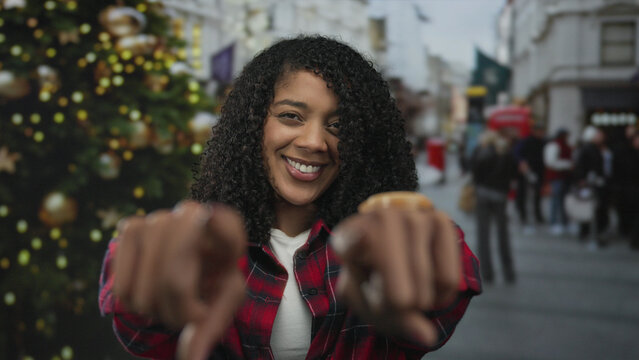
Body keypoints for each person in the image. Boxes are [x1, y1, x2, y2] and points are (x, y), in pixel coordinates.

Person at [98, 36, 481, 360]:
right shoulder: (204, 244)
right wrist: (145, 287)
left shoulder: (378, 243)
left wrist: (419, 273)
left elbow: (443, 288)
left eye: (339, 126)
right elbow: (141, 334)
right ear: (252, 124)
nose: (314, 142)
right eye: (291, 116)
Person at [470, 129, 518, 284]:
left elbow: (474, 173)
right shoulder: (505, 152)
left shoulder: (480, 151)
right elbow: (513, 174)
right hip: (500, 197)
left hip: (483, 196)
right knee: (503, 234)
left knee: (483, 235)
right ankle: (508, 271)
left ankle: (487, 273)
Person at [574, 126, 612, 244]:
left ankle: (594, 231)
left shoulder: (596, 149)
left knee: (595, 208)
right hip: (589, 184)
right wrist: (582, 180)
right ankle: (587, 232)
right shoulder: (588, 149)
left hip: (597, 183)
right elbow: (582, 166)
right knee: (588, 208)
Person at [514, 123, 546, 233]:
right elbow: (517, 154)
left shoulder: (543, 142)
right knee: (524, 195)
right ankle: (524, 217)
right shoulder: (526, 141)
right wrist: (522, 163)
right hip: (526, 173)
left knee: (537, 196)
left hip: (538, 172)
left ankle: (537, 216)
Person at [543, 128, 573, 235]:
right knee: (555, 200)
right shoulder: (554, 145)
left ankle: (564, 222)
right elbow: (550, 162)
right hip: (556, 177)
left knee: (563, 201)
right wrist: (568, 164)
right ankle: (554, 222)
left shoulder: (564, 145)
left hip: (564, 177)